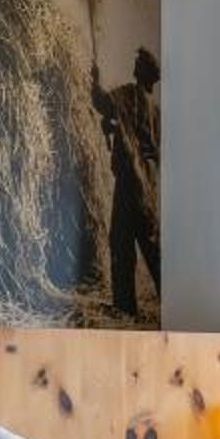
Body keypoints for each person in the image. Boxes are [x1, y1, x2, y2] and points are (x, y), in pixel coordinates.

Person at [90, 44, 160, 318]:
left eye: (137, 65)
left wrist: (95, 79)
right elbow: (142, 138)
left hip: (130, 180)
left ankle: (124, 306)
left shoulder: (129, 95)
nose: (133, 68)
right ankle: (171, 296)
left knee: (121, 239)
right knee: (150, 243)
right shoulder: (155, 110)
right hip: (148, 184)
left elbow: (102, 103)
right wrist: (115, 127)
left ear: (141, 72)